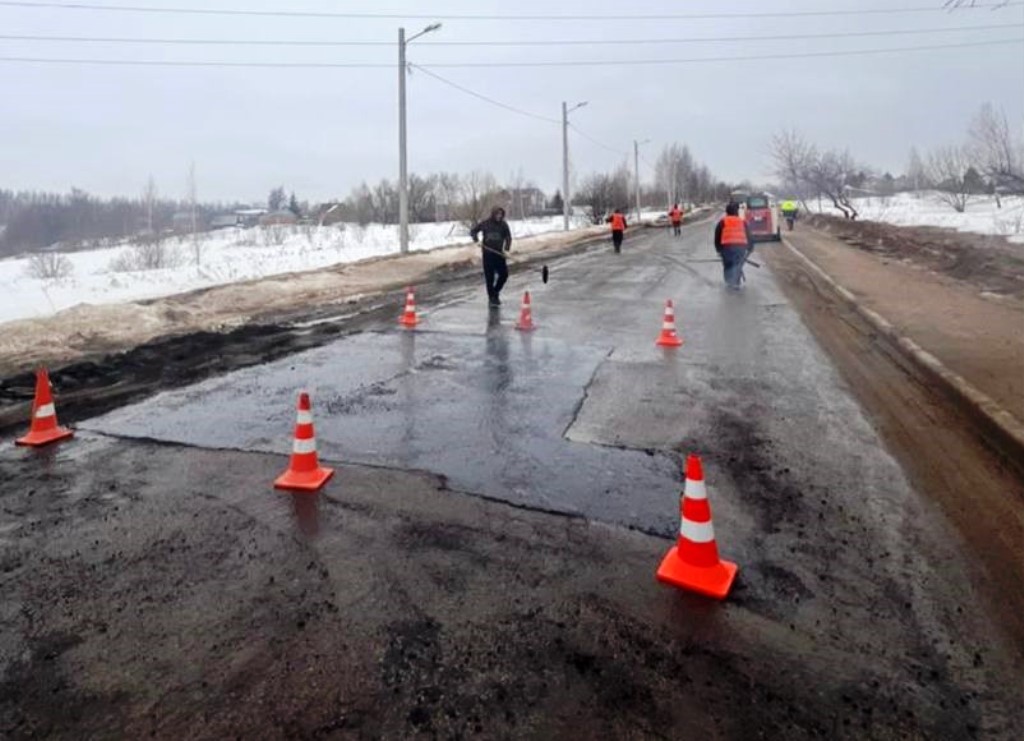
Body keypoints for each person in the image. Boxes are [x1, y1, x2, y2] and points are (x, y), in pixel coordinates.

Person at [470, 206, 513, 307]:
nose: (499, 216)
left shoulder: (503, 225)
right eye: (497, 214)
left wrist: (506, 249)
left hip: (499, 254)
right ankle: (492, 298)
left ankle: (495, 292)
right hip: (488, 255)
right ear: (493, 214)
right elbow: (473, 231)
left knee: (504, 275)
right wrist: (477, 241)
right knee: (489, 278)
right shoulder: (485, 223)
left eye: (501, 214)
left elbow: (508, 237)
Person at [714, 201, 754, 290]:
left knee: (728, 265)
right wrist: (750, 247)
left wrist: (719, 250)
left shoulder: (722, 222)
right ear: (736, 212)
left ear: (727, 212)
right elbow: (749, 236)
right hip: (741, 248)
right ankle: (736, 282)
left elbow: (717, 237)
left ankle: (729, 283)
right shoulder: (742, 222)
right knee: (738, 265)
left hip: (727, 248)